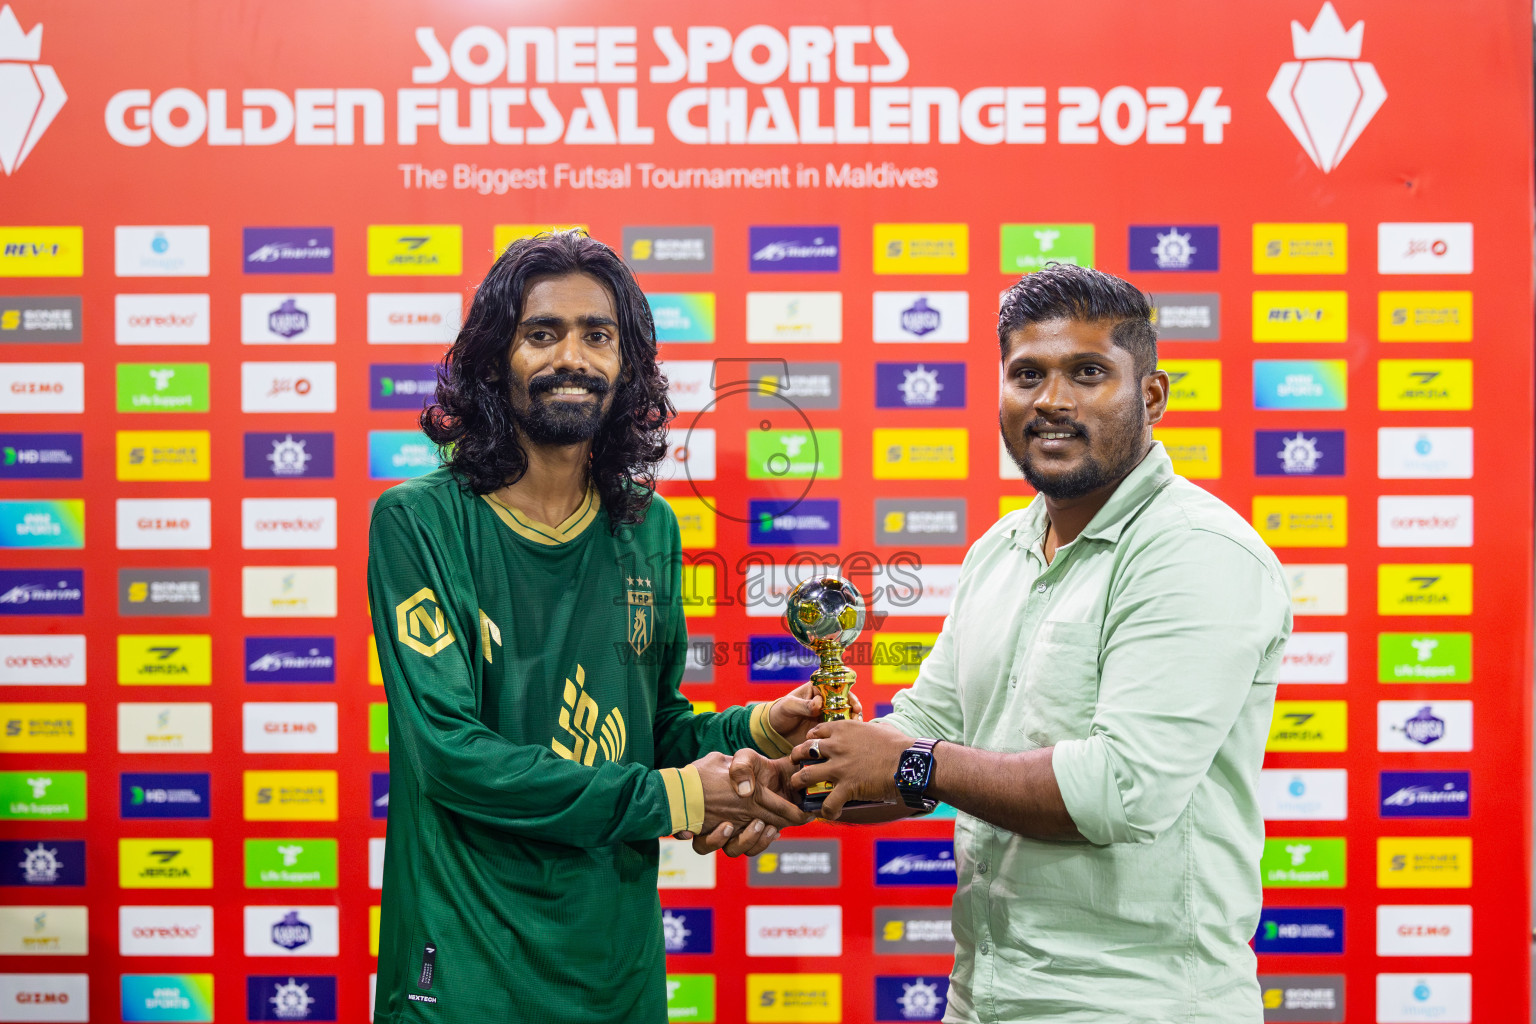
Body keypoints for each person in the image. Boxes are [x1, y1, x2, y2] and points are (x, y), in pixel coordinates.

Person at [789, 263, 1292, 1023]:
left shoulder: (1196, 552)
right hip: (984, 996)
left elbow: (1121, 788)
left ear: (1151, 396)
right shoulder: (1001, 549)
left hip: (1135, 1006)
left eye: (1087, 373)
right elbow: (930, 727)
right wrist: (803, 772)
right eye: (1027, 374)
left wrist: (907, 761)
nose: (1052, 401)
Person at [366, 231, 825, 1024]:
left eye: (597, 335)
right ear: (491, 361)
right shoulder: (419, 522)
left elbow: (647, 728)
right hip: (467, 972)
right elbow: (448, 755)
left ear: (628, 365)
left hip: (618, 974)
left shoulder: (647, 528)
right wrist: (682, 797)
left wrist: (762, 731)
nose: (570, 356)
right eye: (541, 333)